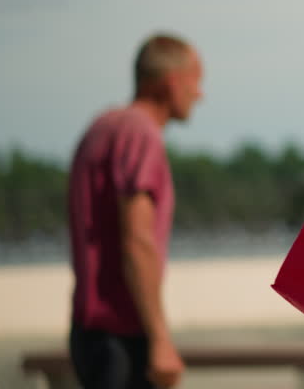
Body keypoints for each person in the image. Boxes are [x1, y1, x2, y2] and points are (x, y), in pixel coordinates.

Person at [67, 34, 204, 389]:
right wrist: (160, 340)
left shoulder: (102, 126)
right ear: (171, 82)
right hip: (121, 336)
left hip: (87, 332)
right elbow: (137, 240)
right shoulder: (141, 133)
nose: (200, 94)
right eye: (195, 82)